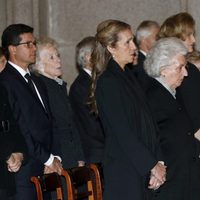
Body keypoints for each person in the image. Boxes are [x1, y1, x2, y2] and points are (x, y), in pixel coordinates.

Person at [88, 19, 166, 200]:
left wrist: (158, 162)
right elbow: (123, 131)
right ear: (111, 48)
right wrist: (152, 165)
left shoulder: (128, 76)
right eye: (127, 42)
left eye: (133, 41)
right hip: (125, 170)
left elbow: (149, 122)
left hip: (140, 165)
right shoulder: (108, 81)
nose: (134, 47)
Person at [0, 24, 62, 200]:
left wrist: (55, 157)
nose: (34, 48)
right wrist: (47, 159)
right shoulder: (6, 82)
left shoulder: (37, 81)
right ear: (12, 49)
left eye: (34, 43)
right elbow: (22, 127)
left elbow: (50, 122)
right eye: (28, 44)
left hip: (47, 167)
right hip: (26, 169)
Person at [144, 37, 200, 200]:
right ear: (163, 69)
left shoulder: (175, 93)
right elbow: (149, 138)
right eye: (180, 67)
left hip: (186, 179)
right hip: (170, 183)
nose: (186, 73)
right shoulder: (152, 97)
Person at [31, 37, 85, 168]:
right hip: (57, 159)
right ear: (38, 64)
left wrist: (79, 157)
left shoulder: (58, 86)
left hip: (71, 157)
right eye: (51, 57)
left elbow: (71, 124)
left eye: (58, 55)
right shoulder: (41, 89)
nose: (58, 60)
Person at [158, 12, 200, 132]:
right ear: (176, 38)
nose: (193, 39)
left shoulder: (191, 69)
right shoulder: (161, 70)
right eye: (189, 35)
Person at [69, 36, 105, 164]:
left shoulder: (97, 81)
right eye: (101, 53)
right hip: (97, 152)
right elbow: (92, 124)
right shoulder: (81, 86)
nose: (104, 57)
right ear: (89, 57)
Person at [0, 83, 27, 200]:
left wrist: (19, 152)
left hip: (4, 177)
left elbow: (12, 124)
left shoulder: (2, 88)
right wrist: (6, 154)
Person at [132, 21, 160, 90]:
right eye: (157, 38)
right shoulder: (136, 63)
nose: (160, 41)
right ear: (144, 39)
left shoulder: (156, 60)